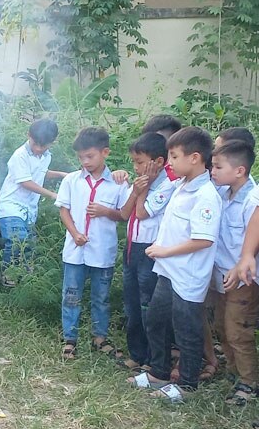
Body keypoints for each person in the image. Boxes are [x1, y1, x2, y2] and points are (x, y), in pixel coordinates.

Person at [131, 128, 221, 398]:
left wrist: (165, 251)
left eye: (174, 156)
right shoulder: (179, 186)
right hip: (168, 272)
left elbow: (203, 240)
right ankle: (158, 371)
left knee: (187, 330)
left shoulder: (206, 195)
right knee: (156, 320)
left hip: (188, 275)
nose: (169, 162)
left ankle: (187, 384)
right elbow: (145, 210)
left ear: (195, 158)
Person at [55, 127, 126, 360]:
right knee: (71, 294)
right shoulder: (71, 181)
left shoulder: (118, 183)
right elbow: (64, 209)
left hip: (102, 252)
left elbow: (124, 214)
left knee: (101, 297)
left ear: (105, 152)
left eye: (90, 156)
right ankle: (70, 339)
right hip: (75, 251)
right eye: (80, 157)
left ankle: (100, 337)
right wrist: (74, 233)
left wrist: (106, 211)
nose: (85, 162)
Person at [117, 133, 175, 371]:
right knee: (131, 302)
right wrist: (136, 190)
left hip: (150, 249)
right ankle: (137, 353)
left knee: (148, 305)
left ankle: (154, 359)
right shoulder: (139, 182)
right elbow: (124, 213)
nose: (136, 167)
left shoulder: (167, 184)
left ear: (158, 162)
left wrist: (144, 188)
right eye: (134, 162)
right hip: (132, 246)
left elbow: (141, 213)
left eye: (140, 161)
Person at [209, 140, 258, 404]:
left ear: (239, 170)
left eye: (218, 166)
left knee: (238, 330)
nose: (212, 171)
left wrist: (241, 267)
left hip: (243, 279)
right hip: (221, 276)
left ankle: (249, 383)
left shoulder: (253, 200)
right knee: (221, 326)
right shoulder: (223, 194)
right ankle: (234, 371)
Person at [0, 119, 64, 276]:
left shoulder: (46, 156)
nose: (39, 149)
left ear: (52, 142)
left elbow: (39, 172)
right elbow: (26, 182)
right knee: (16, 241)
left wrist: (60, 174)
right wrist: (52, 194)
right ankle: (9, 275)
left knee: (28, 244)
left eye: (44, 145)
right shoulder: (19, 155)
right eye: (36, 144)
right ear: (29, 135)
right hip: (11, 205)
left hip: (29, 208)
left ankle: (25, 276)